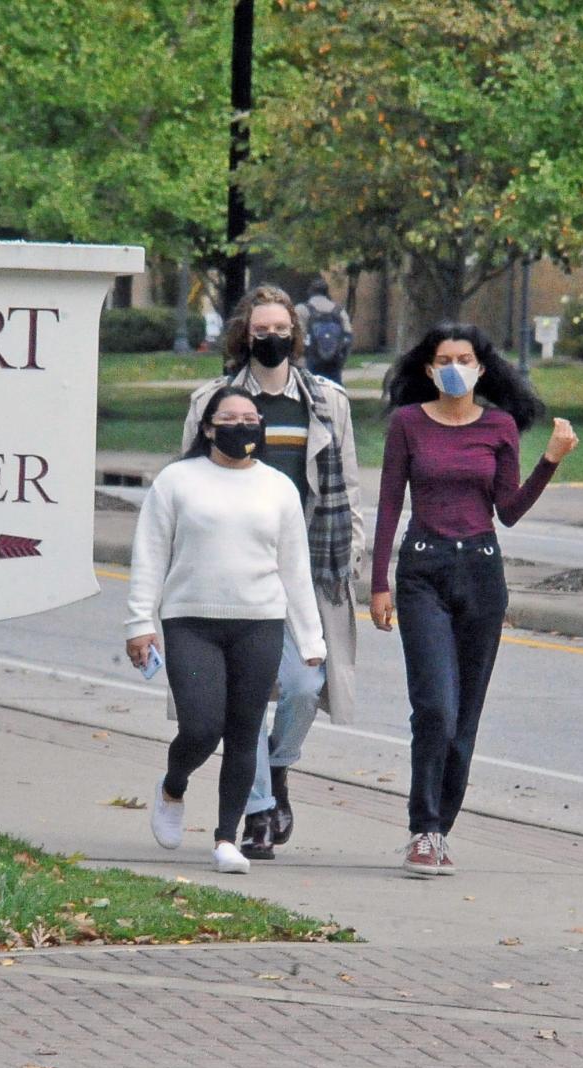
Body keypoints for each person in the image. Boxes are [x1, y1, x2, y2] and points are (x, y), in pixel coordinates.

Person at [370, 323, 578, 877]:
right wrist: (379, 582)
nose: (454, 367)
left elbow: (507, 509)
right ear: (429, 369)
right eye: (444, 359)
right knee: (434, 706)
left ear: (482, 368)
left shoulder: (500, 426)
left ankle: (440, 830)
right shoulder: (409, 424)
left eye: (464, 358)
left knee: (464, 715)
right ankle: (423, 827)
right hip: (422, 571)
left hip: (480, 573)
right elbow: (391, 502)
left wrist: (550, 460)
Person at [182, 285, 362, 860]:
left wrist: (349, 554)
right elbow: (184, 480)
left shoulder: (327, 402)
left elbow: (348, 486)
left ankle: (278, 769)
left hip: (306, 570)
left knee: (307, 686)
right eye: (261, 329)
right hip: (233, 575)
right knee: (246, 698)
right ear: (244, 335)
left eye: (281, 328)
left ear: (296, 334)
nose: (272, 338)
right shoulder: (214, 401)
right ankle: (258, 810)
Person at [126, 385, 327, 874]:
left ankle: (226, 838)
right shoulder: (177, 481)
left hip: (259, 621)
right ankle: (174, 785)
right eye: (231, 418)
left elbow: (294, 567)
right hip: (191, 619)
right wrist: (140, 622)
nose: (243, 426)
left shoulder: (277, 486)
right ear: (209, 426)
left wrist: (310, 639)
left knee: (243, 730)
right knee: (201, 726)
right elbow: (149, 555)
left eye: (251, 417)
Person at [295, 276, 353, 385]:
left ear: (310, 291)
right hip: (334, 361)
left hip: (310, 360)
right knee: (335, 391)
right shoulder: (339, 311)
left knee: (311, 391)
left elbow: (298, 335)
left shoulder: (302, 309)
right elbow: (348, 335)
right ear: (327, 292)